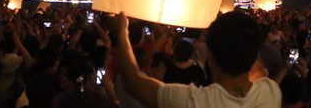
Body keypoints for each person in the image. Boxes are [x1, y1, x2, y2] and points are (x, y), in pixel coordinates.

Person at [112, 11, 281, 108]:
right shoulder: (271, 92)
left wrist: (122, 31)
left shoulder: (195, 101)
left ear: (210, 56)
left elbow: (131, 80)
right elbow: (250, 49)